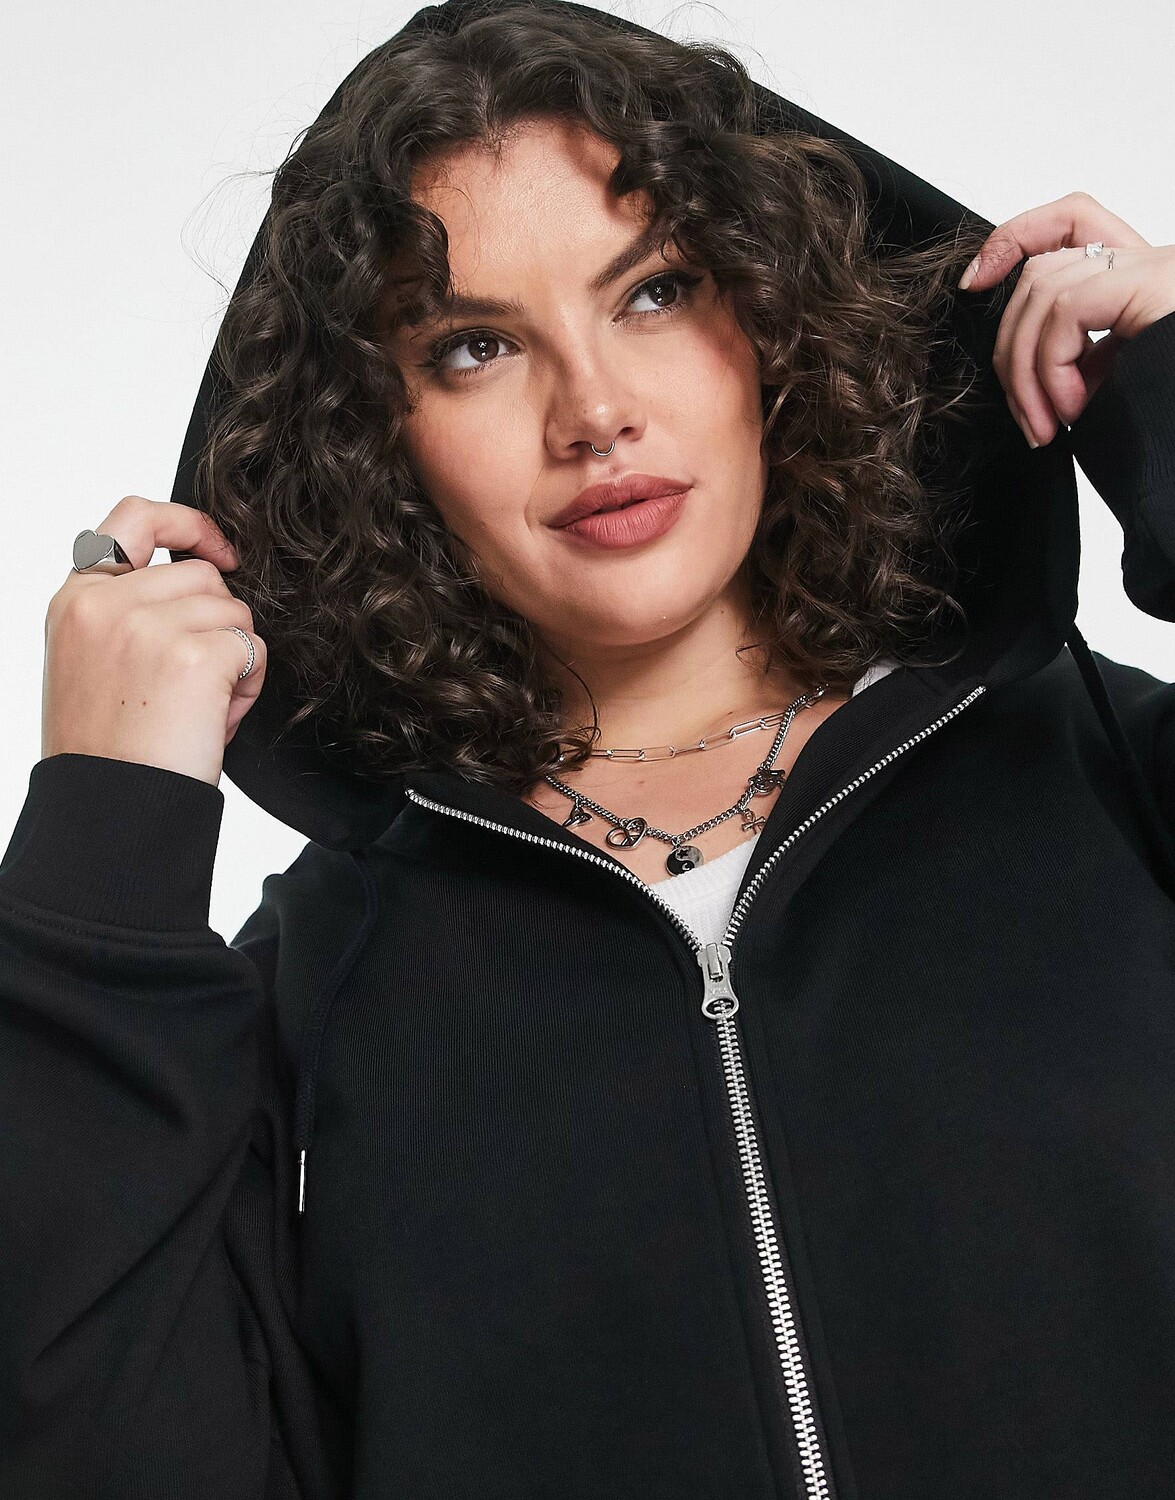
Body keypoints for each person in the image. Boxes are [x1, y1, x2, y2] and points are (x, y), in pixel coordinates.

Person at [2, 0, 1173, 1495]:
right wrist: (104, 839)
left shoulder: (1115, 783)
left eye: (656, 292)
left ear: (773, 321)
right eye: (474, 346)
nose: (596, 411)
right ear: (376, 439)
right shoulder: (323, 980)